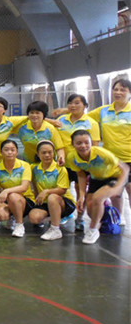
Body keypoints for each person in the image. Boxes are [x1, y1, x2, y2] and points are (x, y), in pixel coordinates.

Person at [68, 130, 129, 245]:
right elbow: (81, 175)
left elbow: (125, 168)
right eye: (79, 143)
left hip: (114, 177)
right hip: (96, 178)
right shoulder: (72, 157)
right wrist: (81, 195)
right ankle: (102, 217)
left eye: (87, 142)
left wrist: (118, 186)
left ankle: (93, 229)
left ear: (91, 142)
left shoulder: (101, 153)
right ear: (73, 144)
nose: (83, 146)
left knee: (97, 198)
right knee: (91, 208)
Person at [86, 78, 131, 222]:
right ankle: (118, 217)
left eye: (123, 90)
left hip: (129, 158)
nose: (118, 92)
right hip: (110, 160)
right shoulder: (103, 110)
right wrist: (64, 111)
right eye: (115, 89)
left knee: (130, 188)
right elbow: (82, 117)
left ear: (129, 93)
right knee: (115, 191)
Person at [57, 94, 100, 230]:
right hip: (63, 162)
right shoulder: (61, 120)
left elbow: (94, 146)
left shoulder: (91, 123)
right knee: (61, 189)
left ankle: (80, 218)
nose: (73, 106)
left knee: (80, 189)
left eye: (77, 103)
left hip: (81, 163)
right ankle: (65, 213)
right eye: (70, 103)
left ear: (85, 106)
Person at [29, 140, 76, 241]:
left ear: (54, 153)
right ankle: (55, 217)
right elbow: (34, 184)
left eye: (50, 152)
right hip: (45, 202)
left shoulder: (60, 169)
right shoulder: (34, 168)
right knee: (34, 218)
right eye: (44, 152)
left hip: (63, 202)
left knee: (52, 197)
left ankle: (55, 229)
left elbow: (62, 190)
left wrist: (46, 191)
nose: (47, 155)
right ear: (38, 154)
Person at [0, 140, 35, 238]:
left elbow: (24, 187)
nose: (9, 152)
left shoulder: (25, 166)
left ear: (17, 152)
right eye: (6, 150)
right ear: (1, 152)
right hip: (8, 199)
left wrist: (6, 190)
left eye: (12, 150)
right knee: (1, 215)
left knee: (13, 196)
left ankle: (19, 225)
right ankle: (12, 216)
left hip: (25, 200)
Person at [17, 101, 64, 165]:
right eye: (32, 113)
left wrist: (61, 157)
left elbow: (59, 148)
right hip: (28, 162)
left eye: (37, 113)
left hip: (47, 163)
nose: (34, 115)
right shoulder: (21, 127)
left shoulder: (50, 128)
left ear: (43, 115)